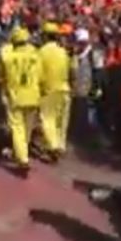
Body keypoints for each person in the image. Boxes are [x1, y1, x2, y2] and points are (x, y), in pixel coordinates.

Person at [0, 27, 42, 177]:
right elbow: (41, 76)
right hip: (33, 96)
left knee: (17, 129)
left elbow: (0, 75)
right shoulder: (36, 56)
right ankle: (23, 152)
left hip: (15, 97)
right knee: (27, 129)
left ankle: (23, 158)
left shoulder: (7, 57)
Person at [38, 23, 72, 162]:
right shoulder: (62, 51)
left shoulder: (42, 51)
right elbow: (71, 69)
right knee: (60, 121)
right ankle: (60, 145)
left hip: (49, 89)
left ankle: (53, 148)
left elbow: (38, 72)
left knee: (47, 119)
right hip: (64, 88)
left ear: (45, 35)